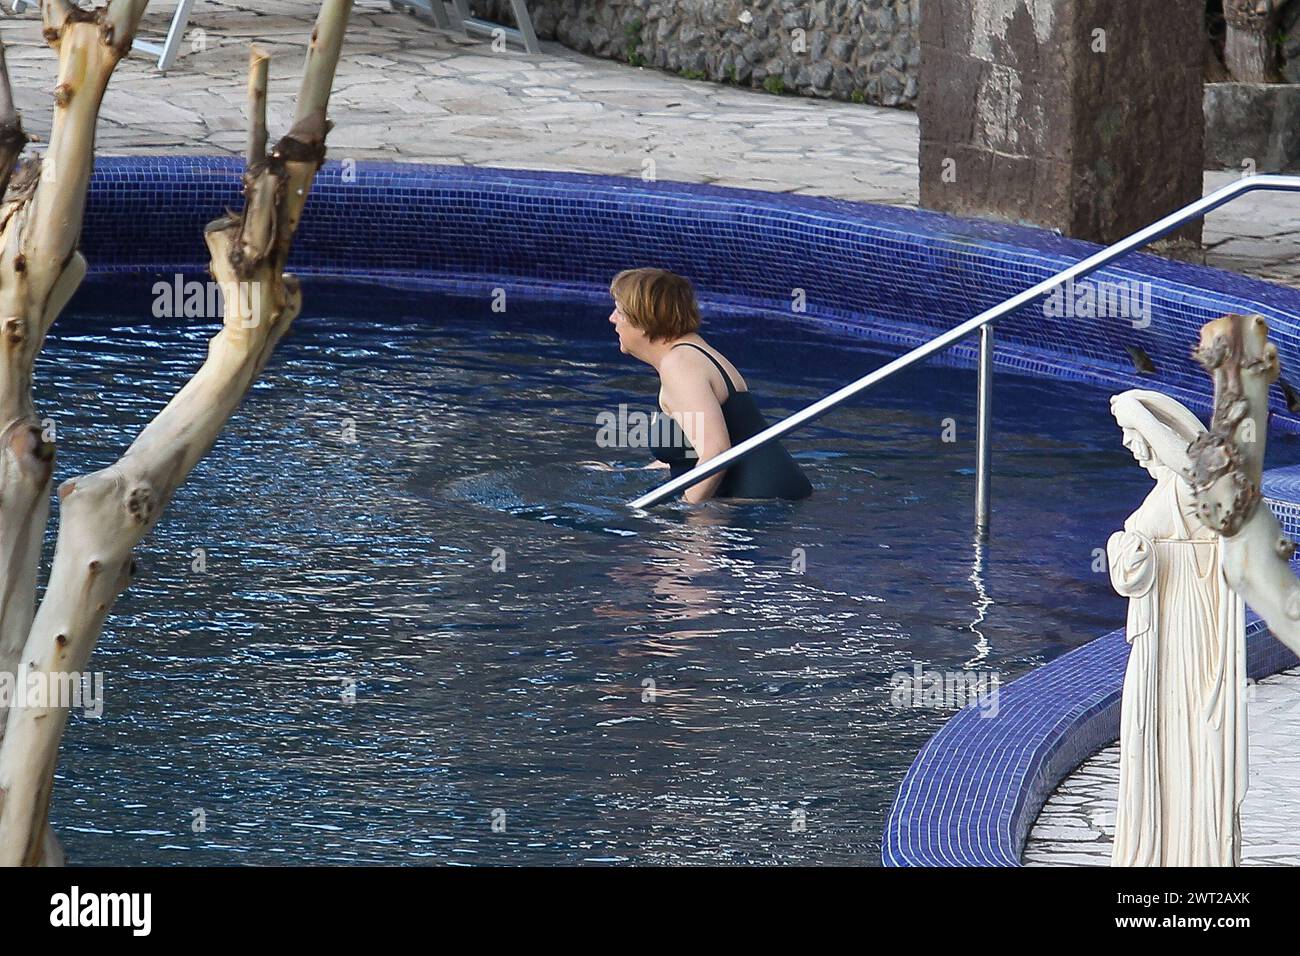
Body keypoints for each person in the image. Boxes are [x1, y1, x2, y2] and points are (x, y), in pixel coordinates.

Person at [1106, 389, 1246, 867]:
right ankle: (1168, 848)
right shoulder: (1166, 488)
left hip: (1188, 622)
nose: (1128, 444)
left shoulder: (1193, 485)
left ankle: (1189, 853)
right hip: (1166, 619)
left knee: (1183, 729)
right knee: (1163, 731)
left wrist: (1135, 411)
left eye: (1131, 435)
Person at [607, 267, 812, 504]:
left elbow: (716, 452)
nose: (612, 318)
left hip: (761, 511)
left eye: (619, 311)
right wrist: (629, 472)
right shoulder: (692, 354)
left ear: (644, 321)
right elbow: (690, 446)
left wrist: (686, 521)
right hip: (775, 503)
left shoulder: (680, 365)